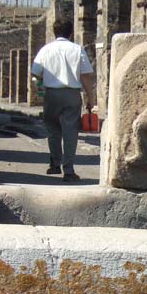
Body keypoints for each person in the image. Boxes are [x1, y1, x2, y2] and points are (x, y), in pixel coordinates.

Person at [30, 18, 96, 182]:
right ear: (71, 33)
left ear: (54, 32)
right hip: (72, 94)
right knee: (70, 131)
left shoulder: (45, 50)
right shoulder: (77, 50)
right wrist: (91, 98)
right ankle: (69, 170)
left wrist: (41, 91)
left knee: (53, 130)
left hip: (51, 94)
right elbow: (86, 76)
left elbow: (35, 74)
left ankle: (54, 164)